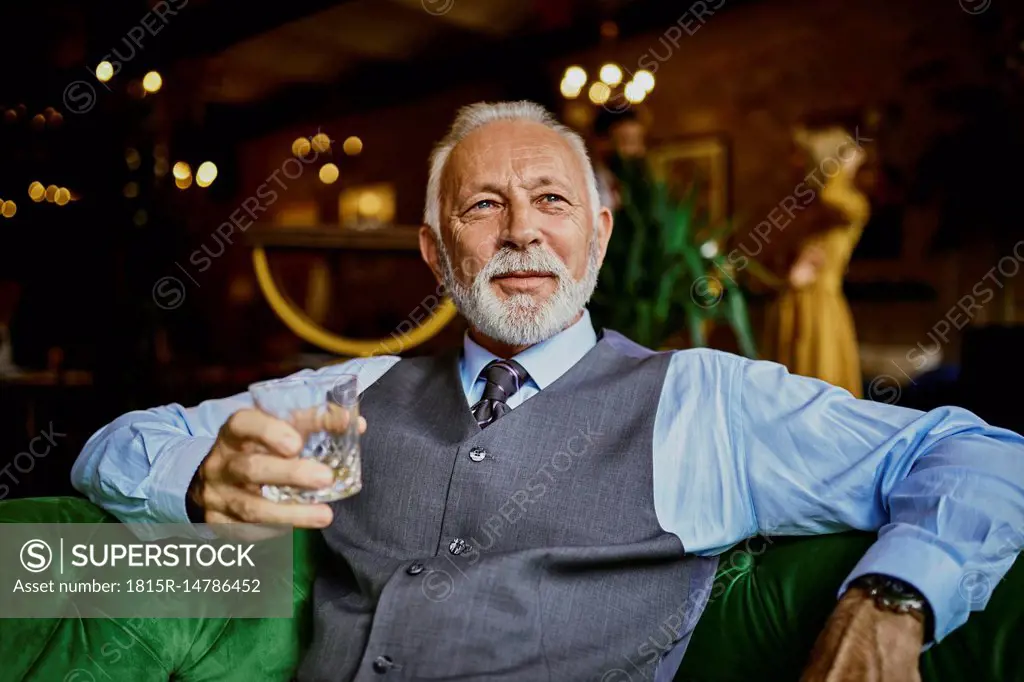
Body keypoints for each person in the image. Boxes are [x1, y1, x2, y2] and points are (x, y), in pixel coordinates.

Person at [72, 101, 1024, 682]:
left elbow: (981, 453)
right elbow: (111, 447)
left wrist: (894, 599)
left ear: (599, 239)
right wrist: (200, 477)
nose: (521, 231)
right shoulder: (354, 393)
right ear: (437, 252)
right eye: (483, 206)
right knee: (40, 571)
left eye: (552, 201)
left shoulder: (703, 404)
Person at [762, 124, 871, 397]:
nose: (796, 163)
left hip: (821, 313)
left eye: (805, 157)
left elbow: (830, 195)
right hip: (791, 304)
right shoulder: (808, 211)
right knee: (784, 395)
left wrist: (841, 165)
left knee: (821, 390)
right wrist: (789, 275)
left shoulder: (853, 206)